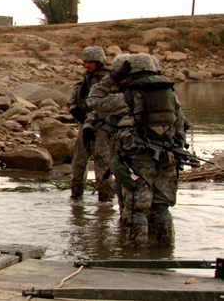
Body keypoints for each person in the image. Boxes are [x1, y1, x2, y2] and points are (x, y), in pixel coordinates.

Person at [96, 54, 186, 247]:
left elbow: (94, 101)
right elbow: (180, 132)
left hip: (138, 163)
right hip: (167, 160)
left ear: (131, 73)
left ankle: (136, 257)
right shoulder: (172, 96)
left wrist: (111, 78)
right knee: (161, 209)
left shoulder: (128, 98)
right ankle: (165, 255)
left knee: (137, 211)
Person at [86, 53, 131, 216]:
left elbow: (93, 101)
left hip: (127, 149)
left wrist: (111, 78)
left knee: (125, 190)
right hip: (146, 154)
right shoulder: (163, 97)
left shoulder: (124, 98)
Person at [67, 46, 113, 200]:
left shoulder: (108, 79)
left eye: (90, 62)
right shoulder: (86, 77)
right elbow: (75, 94)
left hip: (101, 126)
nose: (87, 65)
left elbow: (107, 103)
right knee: (78, 162)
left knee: (103, 163)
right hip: (84, 123)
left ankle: (105, 202)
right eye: (85, 62)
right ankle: (76, 197)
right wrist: (74, 108)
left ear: (99, 62)